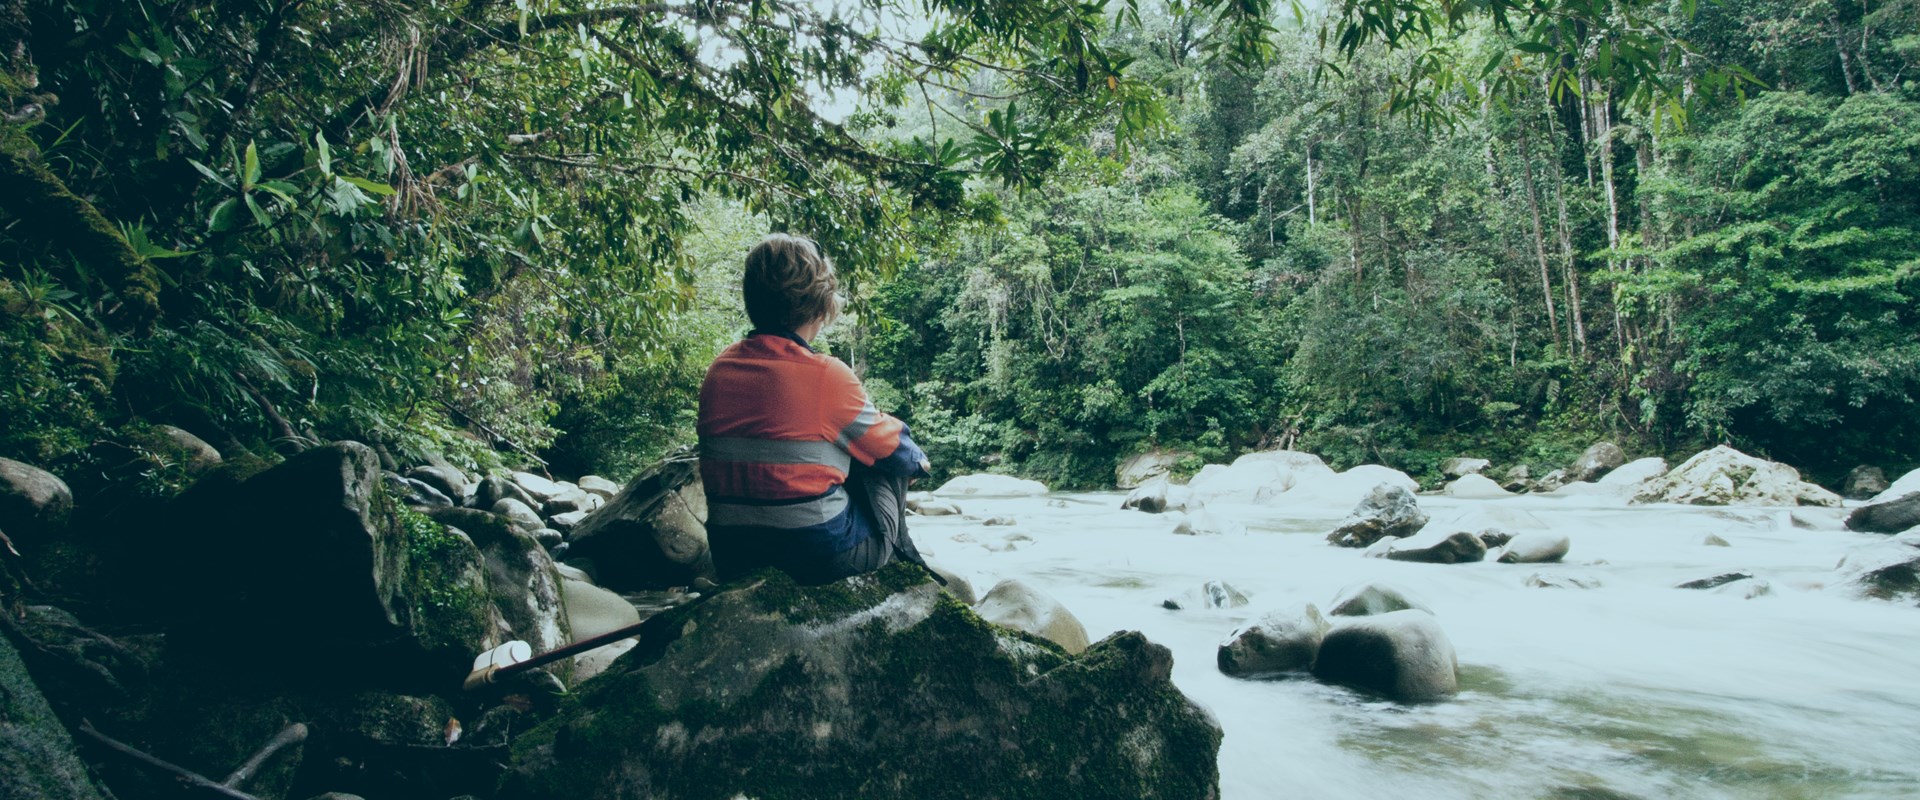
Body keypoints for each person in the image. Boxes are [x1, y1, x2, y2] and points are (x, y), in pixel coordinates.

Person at [696, 233, 938, 585]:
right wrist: (917, 462)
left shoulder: (720, 369)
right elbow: (898, 453)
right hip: (820, 558)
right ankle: (903, 571)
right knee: (883, 461)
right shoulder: (826, 374)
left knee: (842, 444)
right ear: (821, 305)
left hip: (733, 555)